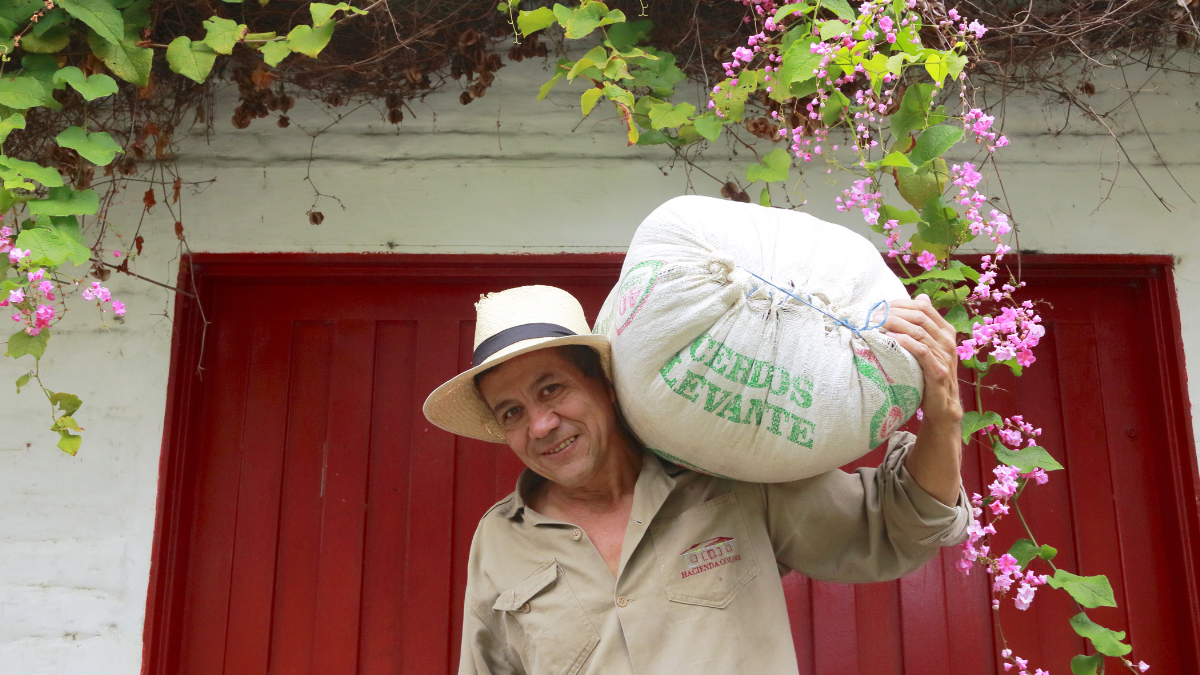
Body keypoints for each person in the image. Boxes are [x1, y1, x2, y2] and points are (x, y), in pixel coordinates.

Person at [423, 284, 969, 675]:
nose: (540, 425)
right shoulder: (499, 543)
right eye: (511, 412)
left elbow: (898, 523)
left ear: (605, 388)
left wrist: (944, 417)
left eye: (551, 390)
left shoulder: (726, 478)